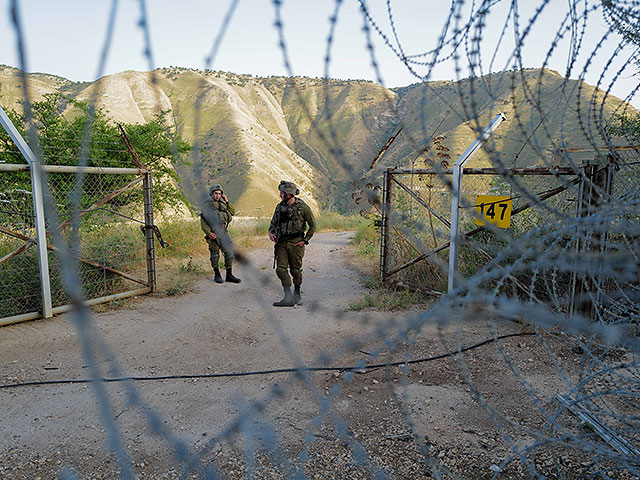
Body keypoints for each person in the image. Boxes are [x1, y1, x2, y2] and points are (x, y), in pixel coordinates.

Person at [268, 180, 316, 307]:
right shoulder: (279, 207)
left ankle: (297, 292)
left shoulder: (303, 207)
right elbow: (273, 223)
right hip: (282, 243)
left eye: (282, 193)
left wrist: (305, 240)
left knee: (295, 270)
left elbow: (312, 225)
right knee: (281, 270)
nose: (280, 195)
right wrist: (271, 233)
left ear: (289, 194)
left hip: (296, 243)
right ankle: (288, 297)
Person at [201, 184, 241, 284]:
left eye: (219, 194)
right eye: (216, 193)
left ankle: (229, 275)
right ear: (212, 194)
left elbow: (232, 212)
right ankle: (217, 274)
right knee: (215, 255)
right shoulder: (207, 205)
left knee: (229, 253)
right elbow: (203, 222)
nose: (217, 195)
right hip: (213, 233)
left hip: (223, 232)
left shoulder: (223, 204)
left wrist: (226, 200)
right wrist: (209, 233)